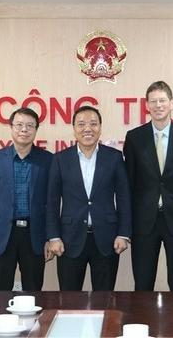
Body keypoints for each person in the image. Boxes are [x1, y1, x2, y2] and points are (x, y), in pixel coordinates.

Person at [123, 80, 173, 291]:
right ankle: (142, 324)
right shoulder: (134, 138)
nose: (158, 105)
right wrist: (126, 225)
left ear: (172, 104)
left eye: (162, 100)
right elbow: (128, 187)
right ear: (146, 105)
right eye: (153, 101)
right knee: (143, 283)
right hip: (143, 222)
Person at [47, 106, 132, 290]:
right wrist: (53, 236)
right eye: (81, 124)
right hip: (69, 239)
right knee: (69, 301)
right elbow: (52, 202)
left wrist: (123, 234)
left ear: (100, 128)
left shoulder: (115, 158)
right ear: (74, 129)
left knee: (105, 300)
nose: (88, 129)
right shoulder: (60, 159)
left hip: (107, 239)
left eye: (93, 124)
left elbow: (124, 198)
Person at [0, 108, 54, 290]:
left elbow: (52, 203)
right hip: (2, 236)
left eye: (29, 126)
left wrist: (50, 237)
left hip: (34, 235)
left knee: (34, 292)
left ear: (36, 129)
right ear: (11, 127)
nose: (24, 130)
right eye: (19, 125)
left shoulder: (48, 160)